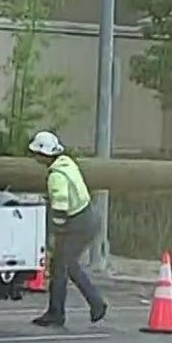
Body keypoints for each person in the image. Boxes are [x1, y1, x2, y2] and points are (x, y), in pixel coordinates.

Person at [27, 130, 107, 327]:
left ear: (44, 155)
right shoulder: (67, 163)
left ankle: (69, 310)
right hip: (87, 217)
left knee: (63, 265)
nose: (35, 158)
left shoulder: (56, 176)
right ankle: (70, 309)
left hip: (78, 222)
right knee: (64, 265)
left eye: (37, 154)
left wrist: (56, 235)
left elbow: (61, 207)